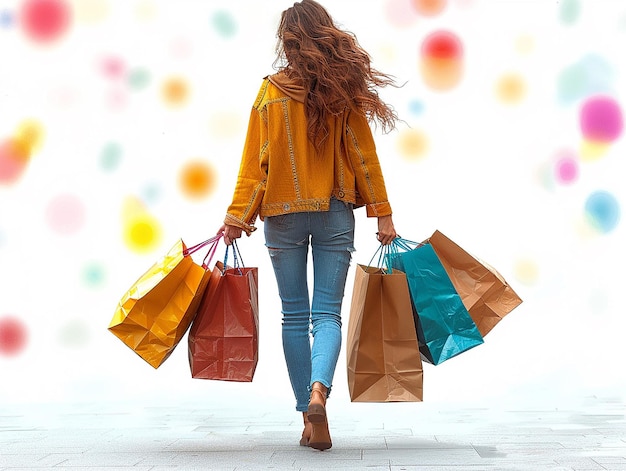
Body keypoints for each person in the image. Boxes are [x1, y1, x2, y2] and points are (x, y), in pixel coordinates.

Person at [218, 0, 399, 451]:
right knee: (327, 314)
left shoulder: (269, 93)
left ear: (288, 40)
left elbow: (254, 165)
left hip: (281, 213)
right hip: (335, 208)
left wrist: (236, 217)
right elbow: (362, 155)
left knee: (294, 315)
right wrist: (383, 213)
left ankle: (307, 414)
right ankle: (320, 391)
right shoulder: (342, 91)